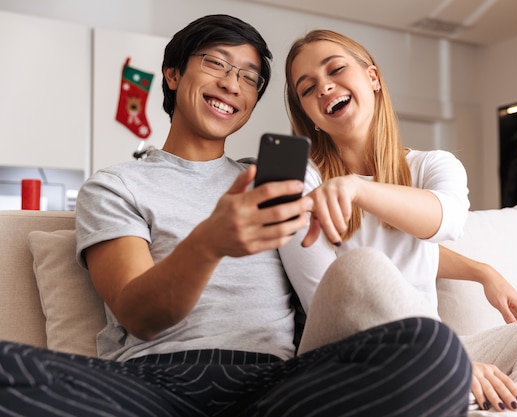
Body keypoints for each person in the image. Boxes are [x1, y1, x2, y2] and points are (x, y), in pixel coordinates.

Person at [0, 15, 473, 417]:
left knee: (437, 354)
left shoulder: (278, 179)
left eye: (249, 77)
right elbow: (138, 313)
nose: (232, 84)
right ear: (172, 75)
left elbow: (361, 250)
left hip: (276, 386)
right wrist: (209, 243)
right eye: (216, 64)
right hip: (156, 386)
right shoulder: (115, 185)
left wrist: (479, 270)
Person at [279, 29, 517, 416]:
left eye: (336, 70)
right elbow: (326, 293)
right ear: (307, 112)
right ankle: (458, 379)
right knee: (362, 267)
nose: (324, 88)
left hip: (439, 347)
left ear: (373, 78)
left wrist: (482, 273)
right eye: (307, 89)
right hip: (346, 356)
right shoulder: (299, 179)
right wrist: (449, 358)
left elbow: (445, 220)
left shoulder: (432, 165)